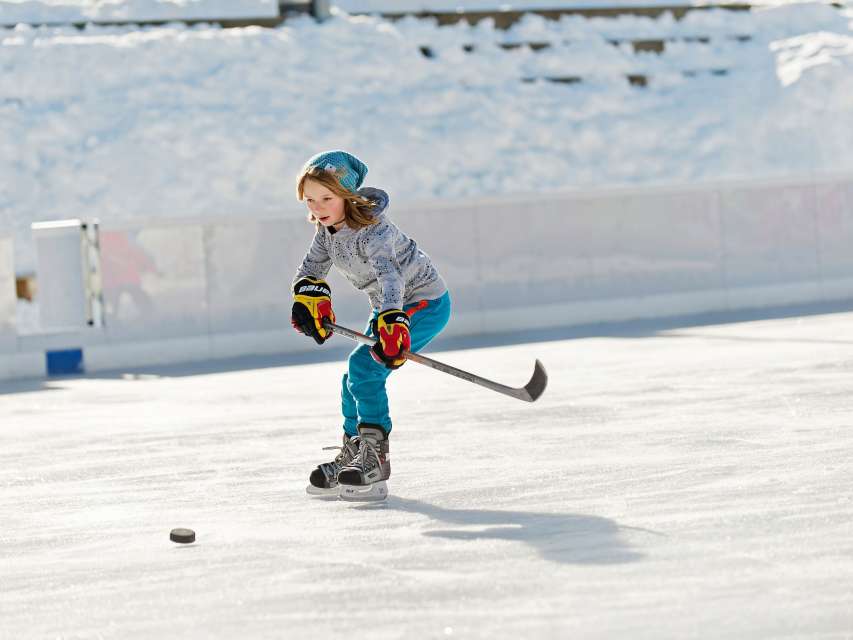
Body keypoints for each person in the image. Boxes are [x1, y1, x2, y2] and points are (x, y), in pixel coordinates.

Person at [291, 150, 451, 500]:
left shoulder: (373, 231)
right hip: (387, 307)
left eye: (327, 198)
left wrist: (393, 321)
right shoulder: (327, 231)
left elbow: (390, 278)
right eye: (310, 199)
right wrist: (308, 299)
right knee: (354, 378)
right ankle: (353, 452)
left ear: (346, 195)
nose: (317, 207)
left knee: (363, 367)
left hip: (422, 302)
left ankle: (375, 460)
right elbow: (310, 270)